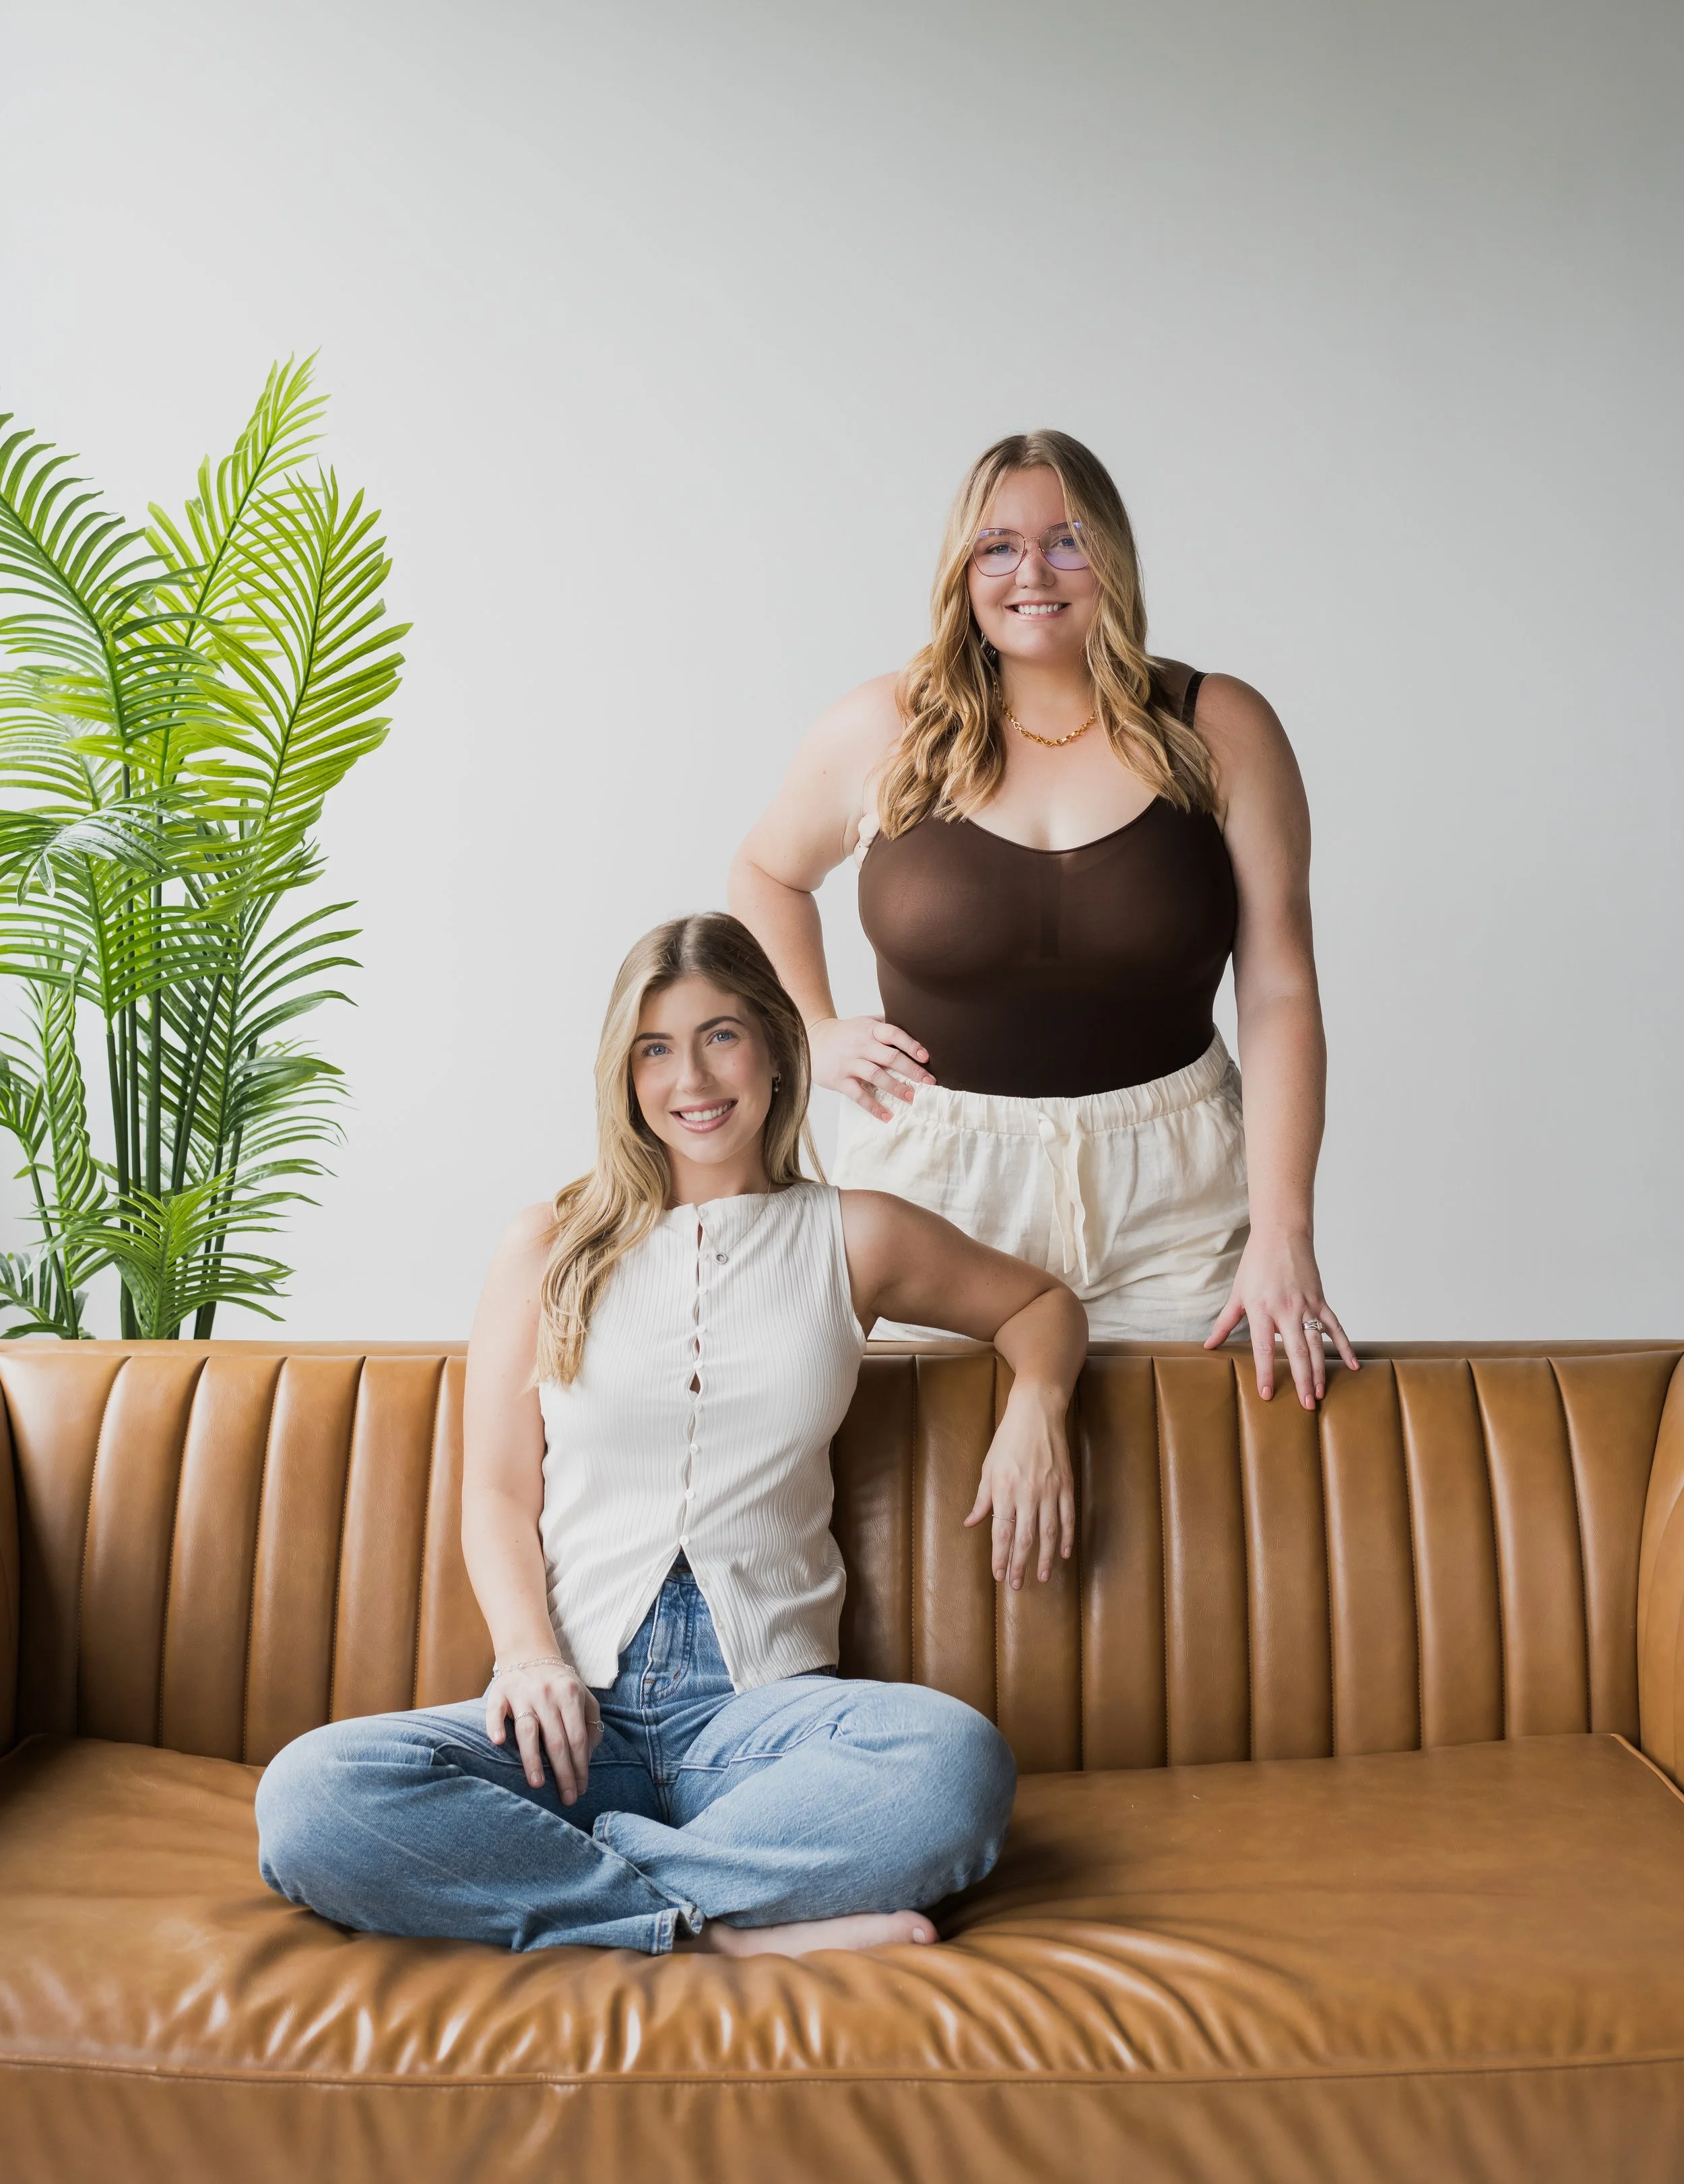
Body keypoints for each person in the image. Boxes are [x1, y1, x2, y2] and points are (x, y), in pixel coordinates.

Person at [255, 913, 1085, 1958]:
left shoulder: (854, 1234)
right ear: (625, 1074)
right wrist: (526, 1657)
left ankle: (623, 1904)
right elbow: (499, 1494)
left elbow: (1042, 1303)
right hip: (567, 1715)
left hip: (763, 1724)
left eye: (721, 1034)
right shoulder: (549, 1244)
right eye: (655, 1047)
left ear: (779, 1050)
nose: (691, 1076)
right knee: (311, 1797)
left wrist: (1036, 1408)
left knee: (954, 1764)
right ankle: (718, 1927)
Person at [730, 429, 1357, 1410]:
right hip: (938, 1186)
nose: (1034, 571)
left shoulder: (1220, 727)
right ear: (963, 568)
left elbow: (1279, 989)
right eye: (998, 546)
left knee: (1186, 1499)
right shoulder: (885, 728)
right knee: (939, 1507)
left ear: (1112, 555)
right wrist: (812, 1027)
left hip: (1177, 1192)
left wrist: (1284, 1233)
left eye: (1068, 541)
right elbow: (766, 871)